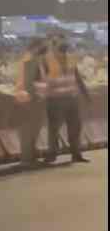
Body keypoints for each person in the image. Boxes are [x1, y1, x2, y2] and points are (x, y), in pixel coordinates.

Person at [40, 34, 90, 164]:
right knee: (54, 129)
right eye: (60, 42)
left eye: (65, 41)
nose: (64, 44)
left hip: (72, 98)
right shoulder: (46, 60)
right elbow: (40, 79)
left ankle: (76, 154)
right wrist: (41, 97)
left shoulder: (71, 58)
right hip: (55, 99)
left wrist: (85, 93)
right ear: (54, 44)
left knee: (75, 127)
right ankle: (52, 155)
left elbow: (77, 77)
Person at [13, 37, 48, 166]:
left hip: (31, 98)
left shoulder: (32, 59)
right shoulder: (30, 60)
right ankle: (27, 159)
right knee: (29, 129)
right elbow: (28, 82)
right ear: (36, 47)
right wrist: (38, 96)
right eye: (43, 46)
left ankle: (30, 157)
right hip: (31, 100)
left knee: (32, 129)